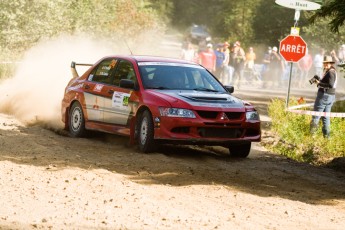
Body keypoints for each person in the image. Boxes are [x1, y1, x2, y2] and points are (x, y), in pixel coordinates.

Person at [310, 55, 338, 138]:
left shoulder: (331, 72)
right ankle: (327, 137)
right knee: (326, 118)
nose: (326, 64)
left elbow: (330, 85)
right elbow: (327, 82)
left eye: (327, 63)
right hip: (330, 97)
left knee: (316, 115)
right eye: (325, 63)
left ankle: (312, 136)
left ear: (331, 63)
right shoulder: (329, 71)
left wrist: (318, 83)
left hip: (324, 96)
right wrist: (319, 79)